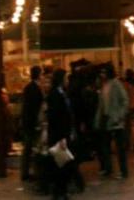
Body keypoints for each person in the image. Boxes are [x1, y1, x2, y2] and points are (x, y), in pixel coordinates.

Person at [47, 69, 82, 200]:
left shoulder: (62, 93)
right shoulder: (55, 95)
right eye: (66, 78)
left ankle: (61, 190)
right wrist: (61, 136)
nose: (67, 81)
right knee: (62, 164)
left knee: (64, 163)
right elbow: (56, 117)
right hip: (59, 136)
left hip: (64, 133)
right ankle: (59, 191)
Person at [94, 64, 129, 178]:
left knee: (120, 148)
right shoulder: (104, 85)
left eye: (104, 72)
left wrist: (118, 116)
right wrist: (98, 120)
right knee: (106, 146)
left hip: (115, 120)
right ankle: (108, 169)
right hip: (106, 120)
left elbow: (125, 101)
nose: (102, 74)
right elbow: (101, 105)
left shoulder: (116, 84)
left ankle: (123, 171)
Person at [21, 66, 44, 181]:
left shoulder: (28, 87)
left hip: (27, 122)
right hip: (32, 123)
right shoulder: (35, 89)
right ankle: (32, 172)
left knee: (28, 148)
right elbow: (34, 107)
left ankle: (25, 172)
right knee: (33, 148)